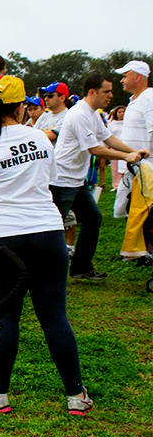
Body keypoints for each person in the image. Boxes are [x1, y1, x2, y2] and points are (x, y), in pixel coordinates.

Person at [0, 75, 93, 416]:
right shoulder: (41, 139)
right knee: (55, 315)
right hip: (47, 231)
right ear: (22, 106)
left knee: (6, 316)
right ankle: (75, 395)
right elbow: (51, 181)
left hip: (4, 238)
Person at [49, 74, 148, 280]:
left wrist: (133, 151)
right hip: (62, 181)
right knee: (51, 228)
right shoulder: (79, 115)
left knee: (92, 219)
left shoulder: (92, 113)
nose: (111, 95)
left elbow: (107, 137)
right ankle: (42, 273)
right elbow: (95, 149)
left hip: (76, 181)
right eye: (107, 91)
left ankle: (80, 268)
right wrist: (126, 155)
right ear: (92, 92)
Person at [113, 61, 153, 218]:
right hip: (132, 166)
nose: (122, 80)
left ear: (137, 77)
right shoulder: (134, 100)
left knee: (144, 214)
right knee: (121, 211)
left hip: (146, 168)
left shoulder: (149, 99)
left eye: (125, 76)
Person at [107, 105, 126, 190]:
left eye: (123, 112)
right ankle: (116, 185)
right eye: (120, 112)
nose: (122, 114)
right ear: (116, 113)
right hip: (114, 147)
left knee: (123, 167)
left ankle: (123, 184)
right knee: (114, 167)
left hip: (124, 147)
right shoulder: (112, 123)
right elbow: (108, 135)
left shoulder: (127, 123)